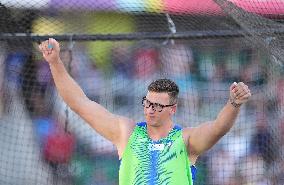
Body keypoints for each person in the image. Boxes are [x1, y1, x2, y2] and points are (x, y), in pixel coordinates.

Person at [39, 38, 251, 185]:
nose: (150, 109)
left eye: (158, 105)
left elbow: (218, 128)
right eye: (148, 103)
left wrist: (233, 104)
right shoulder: (127, 133)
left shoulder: (185, 140)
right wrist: (55, 63)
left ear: (172, 109)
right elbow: (80, 103)